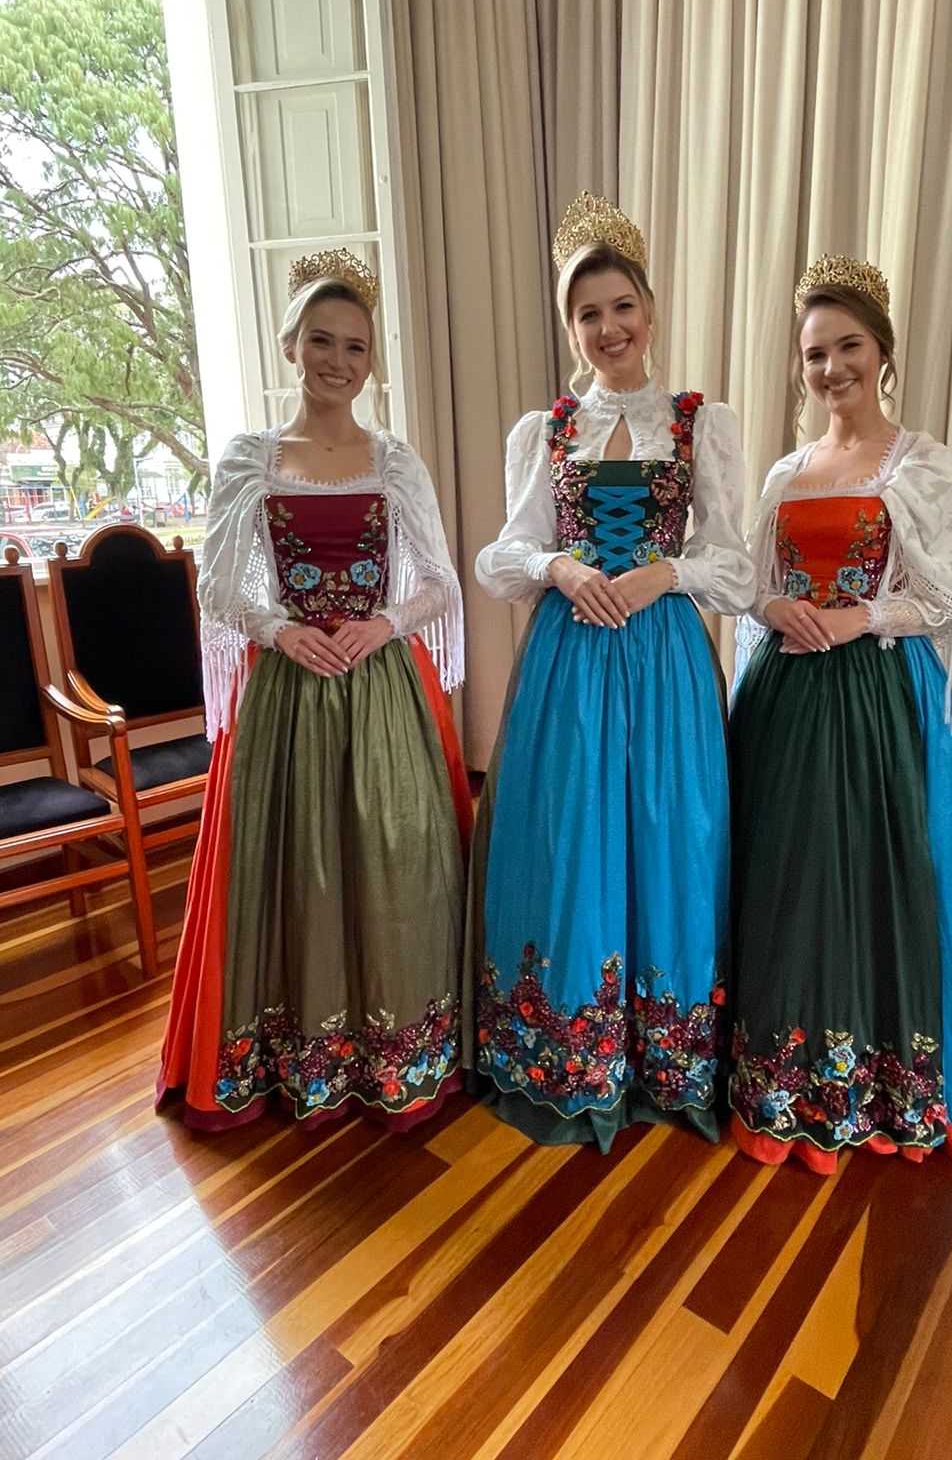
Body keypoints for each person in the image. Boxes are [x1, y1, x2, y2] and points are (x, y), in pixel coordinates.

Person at [729, 254, 952, 1173]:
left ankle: (881, 1079)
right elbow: (749, 582)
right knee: (789, 879)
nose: (832, 369)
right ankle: (787, 1081)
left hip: (878, 699)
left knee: (882, 876)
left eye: (848, 347)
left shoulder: (921, 464)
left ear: (882, 351)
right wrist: (775, 606)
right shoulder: (788, 472)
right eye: (814, 354)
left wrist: (859, 615)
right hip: (787, 699)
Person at [158, 248, 471, 1131]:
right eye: (322, 341)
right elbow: (220, 586)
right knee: (293, 868)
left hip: (381, 687)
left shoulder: (395, 461)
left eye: (356, 346)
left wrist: (384, 623)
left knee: (394, 856)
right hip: (288, 690)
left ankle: (400, 1047)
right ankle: (298, 1052)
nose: (338, 360)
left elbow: (440, 583)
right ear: (290, 346)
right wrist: (279, 630)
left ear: (372, 361)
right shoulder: (251, 459)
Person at [470, 192, 755, 1150]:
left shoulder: (698, 422)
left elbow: (735, 564)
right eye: (587, 313)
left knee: (671, 834)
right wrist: (562, 566)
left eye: (621, 306)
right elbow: (503, 554)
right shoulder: (546, 429)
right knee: (571, 836)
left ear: (651, 310)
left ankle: (667, 1055)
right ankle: (572, 1050)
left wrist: (663, 573)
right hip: (571, 662)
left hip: (665, 654)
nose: (608, 328)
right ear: (571, 328)